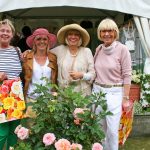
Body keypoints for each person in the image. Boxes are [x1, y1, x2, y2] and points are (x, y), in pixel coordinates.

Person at [92, 18, 132, 150]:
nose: (107, 34)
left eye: (110, 30)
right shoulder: (99, 49)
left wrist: (125, 98)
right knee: (99, 129)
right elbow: (95, 71)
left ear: (115, 32)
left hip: (115, 93)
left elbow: (127, 75)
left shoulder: (122, 49)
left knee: (112, 131)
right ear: (99, 33)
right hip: (97, 91)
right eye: (103, 31)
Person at [51, 23, 95, 96]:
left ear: (80, 37)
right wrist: (30, 51)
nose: (73, 37)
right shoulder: (60, 49)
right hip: (64, 94)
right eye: (70, 34)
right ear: (66, 37)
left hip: (82, 95)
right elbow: (43, 53)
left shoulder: (86, 51)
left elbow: (93, 74)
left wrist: (82, 75)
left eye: (76, 34)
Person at [23, 28, 58, 118]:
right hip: (32, 100)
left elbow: (55, 78)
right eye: (38, 39)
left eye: (45, 39)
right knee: (31, 129)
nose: (42, 41)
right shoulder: (27, 57)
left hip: (49, 100)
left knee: (48, 129)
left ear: (48, 42)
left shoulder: (53, 58)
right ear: (34, 42)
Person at [0, 19, 22, 150]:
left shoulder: (17, 50)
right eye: (2, 30)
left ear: (12, 34)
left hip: (16, 93)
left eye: (8, 31)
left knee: (15, 131)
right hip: (0, 93)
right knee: (1, 132)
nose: (5, 33)